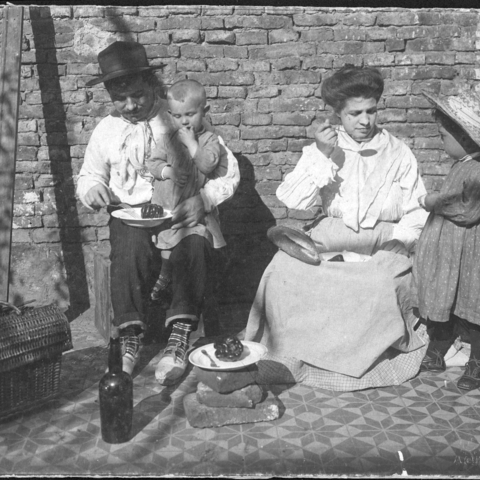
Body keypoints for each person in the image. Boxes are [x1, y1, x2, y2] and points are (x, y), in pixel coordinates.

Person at [242, 65, 429, 391]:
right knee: (284, 269)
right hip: (333, 233)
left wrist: (398, 240)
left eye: (371, 111)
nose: (365, 121)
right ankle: (292, 355)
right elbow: (294, 199)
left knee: (376, 282)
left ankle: (354, 362)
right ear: (338, 115)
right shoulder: (326, 148)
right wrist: (322, 154)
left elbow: (417, 208)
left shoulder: (398, 152)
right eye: (354, 113)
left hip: (382, 238)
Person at [76, 41, 240, 385]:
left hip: (179, 209)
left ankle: (178, 338)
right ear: (109, 94)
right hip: (130, 214)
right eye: (121, 99)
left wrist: (204, 200)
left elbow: (227, 171)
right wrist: (92, 189)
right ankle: (130, 339)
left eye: (138, 94)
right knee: (128, 251)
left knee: (192, 243)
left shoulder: (181, 116)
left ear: (152, 85)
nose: (131, 105)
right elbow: (89, 175)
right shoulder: (106, 130)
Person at [414, 89, 480, 391]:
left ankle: (476, 363)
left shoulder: (477, 170)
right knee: (445, 299)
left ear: (463, 136)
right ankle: (438, 351)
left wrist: (431, 201)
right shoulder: (464, 164)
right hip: (453, 251)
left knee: (471, 304)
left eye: (443, 136)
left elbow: (466, 210)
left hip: (470, 251)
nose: (441, 143)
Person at [146, 79, 221, 305]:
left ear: (204, 111)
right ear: (170, 115)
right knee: (163, 242)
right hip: (162, 205)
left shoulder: (209, 139)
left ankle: (169, 281)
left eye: (190, 114)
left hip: (190, 209)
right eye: (178, 117)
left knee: (186, 243)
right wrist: (168, 171)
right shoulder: (167, 138)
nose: (184, 121)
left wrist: (191, 145)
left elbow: (208, 165)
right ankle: (165, 277)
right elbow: (153, 164)